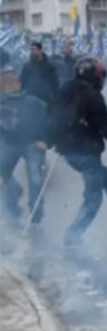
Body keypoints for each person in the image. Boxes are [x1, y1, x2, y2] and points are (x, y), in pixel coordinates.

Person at [50, 57, 107, 246]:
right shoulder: (93, 96)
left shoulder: (63, 91)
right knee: (93, 199)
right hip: (87, 153)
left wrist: (52, 140)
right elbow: (105, 125)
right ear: (95, 77)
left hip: (68, 152)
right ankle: (72, 236)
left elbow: (50, 117)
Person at [0, 68, 48, 225]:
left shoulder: (33, 102)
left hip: (31, 143)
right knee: (3, 176)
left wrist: (44, 139)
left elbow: (47, 121)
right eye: (4, 82)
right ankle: (13, 206)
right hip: (9, 143)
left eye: (10, 81)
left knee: (35, 179)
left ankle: (36, 217)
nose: (8, 84)